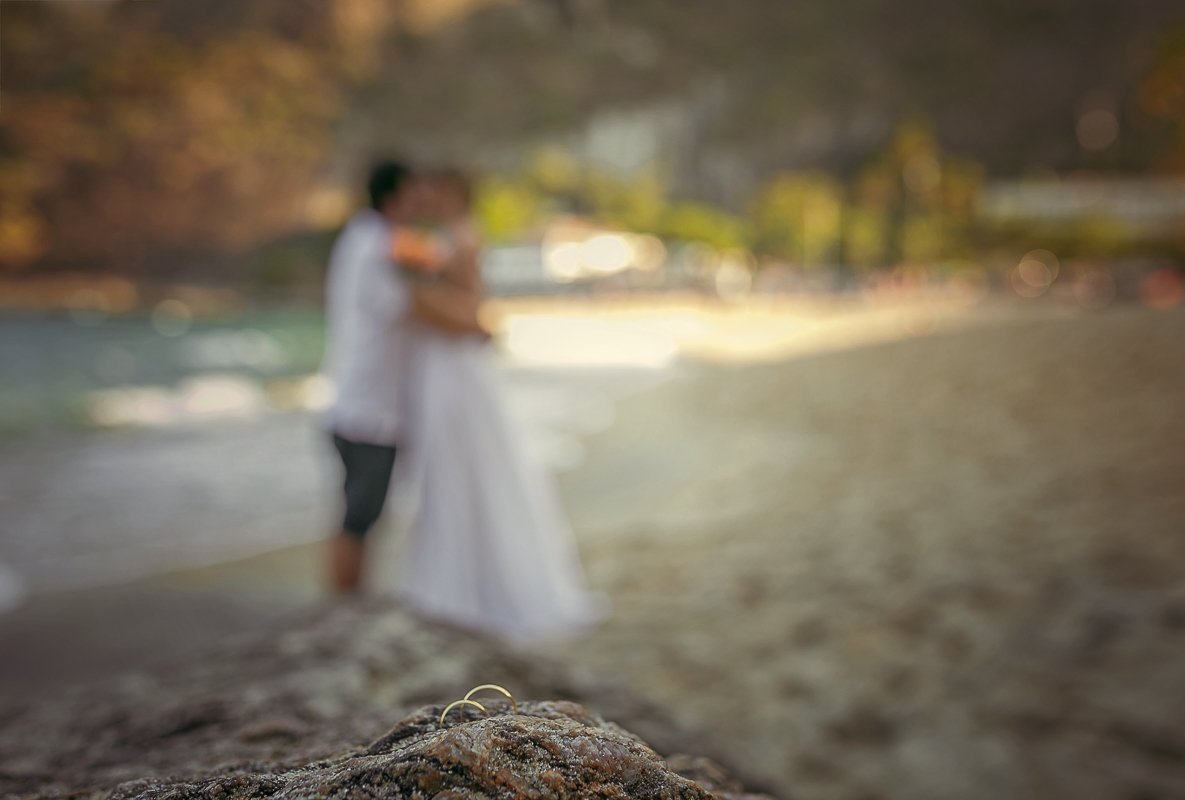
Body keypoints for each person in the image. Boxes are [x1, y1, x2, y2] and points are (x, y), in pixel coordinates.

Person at [395, 170, 606, 643]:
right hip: (445, 365)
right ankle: (459, 583)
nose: (425, 196)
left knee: (465, 467)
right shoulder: (444, 237)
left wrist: (418, 290)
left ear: (451, 192)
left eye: (434, 188)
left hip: (455, 366)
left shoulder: (461, 237)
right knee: (459, 467)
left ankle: (467, 588)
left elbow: (474, 314)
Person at [320, 160, 436, 592]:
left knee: (358, 516)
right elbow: (407, 307)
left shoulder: (358, 236)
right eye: (414, 195)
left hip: (349, 398)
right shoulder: (380, 244)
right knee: (359, 518)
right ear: (395, 196)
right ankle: (344, 609)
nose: (420, 205)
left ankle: (346, 606)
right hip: (369, 407)